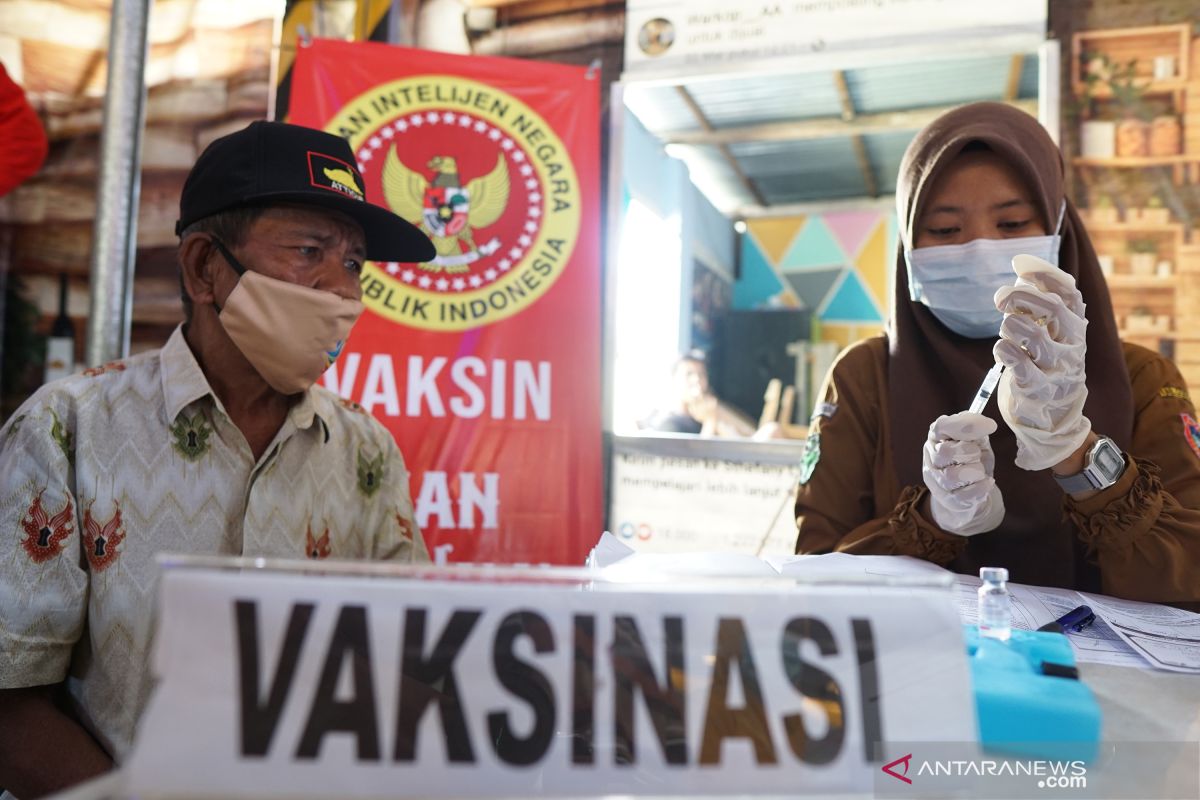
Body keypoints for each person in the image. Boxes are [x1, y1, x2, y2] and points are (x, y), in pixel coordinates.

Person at [0, 121, 437, 798]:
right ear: (206, 267)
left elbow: (405, 665)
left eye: (352, 262)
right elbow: (12, 701)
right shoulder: (67, 429)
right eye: (310, 250)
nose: (343, 290)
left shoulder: (365, 454)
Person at [795, 102, 1200, 605]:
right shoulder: (863, 378)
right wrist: (935, 519)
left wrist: (1078, 453)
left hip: (1102, 682)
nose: (979, 248)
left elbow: (1190, 580)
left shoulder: (1142, 377)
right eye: (945, 230)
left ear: (1059, 230)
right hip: (920, 673)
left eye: (1011, 223)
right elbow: (811, 573)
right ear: (906, 245)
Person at [640, 350, 756, 437]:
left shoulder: (705, 415)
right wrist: (710, 421)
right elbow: (697, 460)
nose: (696, 380)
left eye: (701, 374)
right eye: (689, 374)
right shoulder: (669, 424)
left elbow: (747, 438)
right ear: (674, 380)